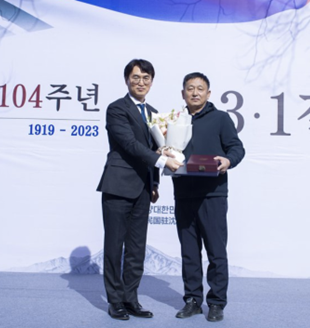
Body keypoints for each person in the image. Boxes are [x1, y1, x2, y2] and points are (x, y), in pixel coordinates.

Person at [97, 59, 182, 320]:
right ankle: (115, 302)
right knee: (114, 247)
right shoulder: (116, 109)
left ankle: (131, 299)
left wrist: (155, 182)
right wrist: (163, 161)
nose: (141, 82)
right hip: (118, 186)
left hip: (144, 189)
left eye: (146, 78)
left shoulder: (155, 114)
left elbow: (156, 149)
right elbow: (130, 145)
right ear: (127, 80)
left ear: (152, 82)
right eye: (136, 77)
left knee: (137, 249)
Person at [172, 72, 245, 322]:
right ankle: (192, 300)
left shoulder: (221, 118)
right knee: (189, 252)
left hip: (213, 194)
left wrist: (228, 160)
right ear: (183, 93)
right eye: (190, 88)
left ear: (208, 93)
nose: (194, 93)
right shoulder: (174, 120)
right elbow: (164, 150)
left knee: (216, 252)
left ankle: (216, 302)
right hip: (183, 194)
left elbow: (237, 147)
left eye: (200, 88)